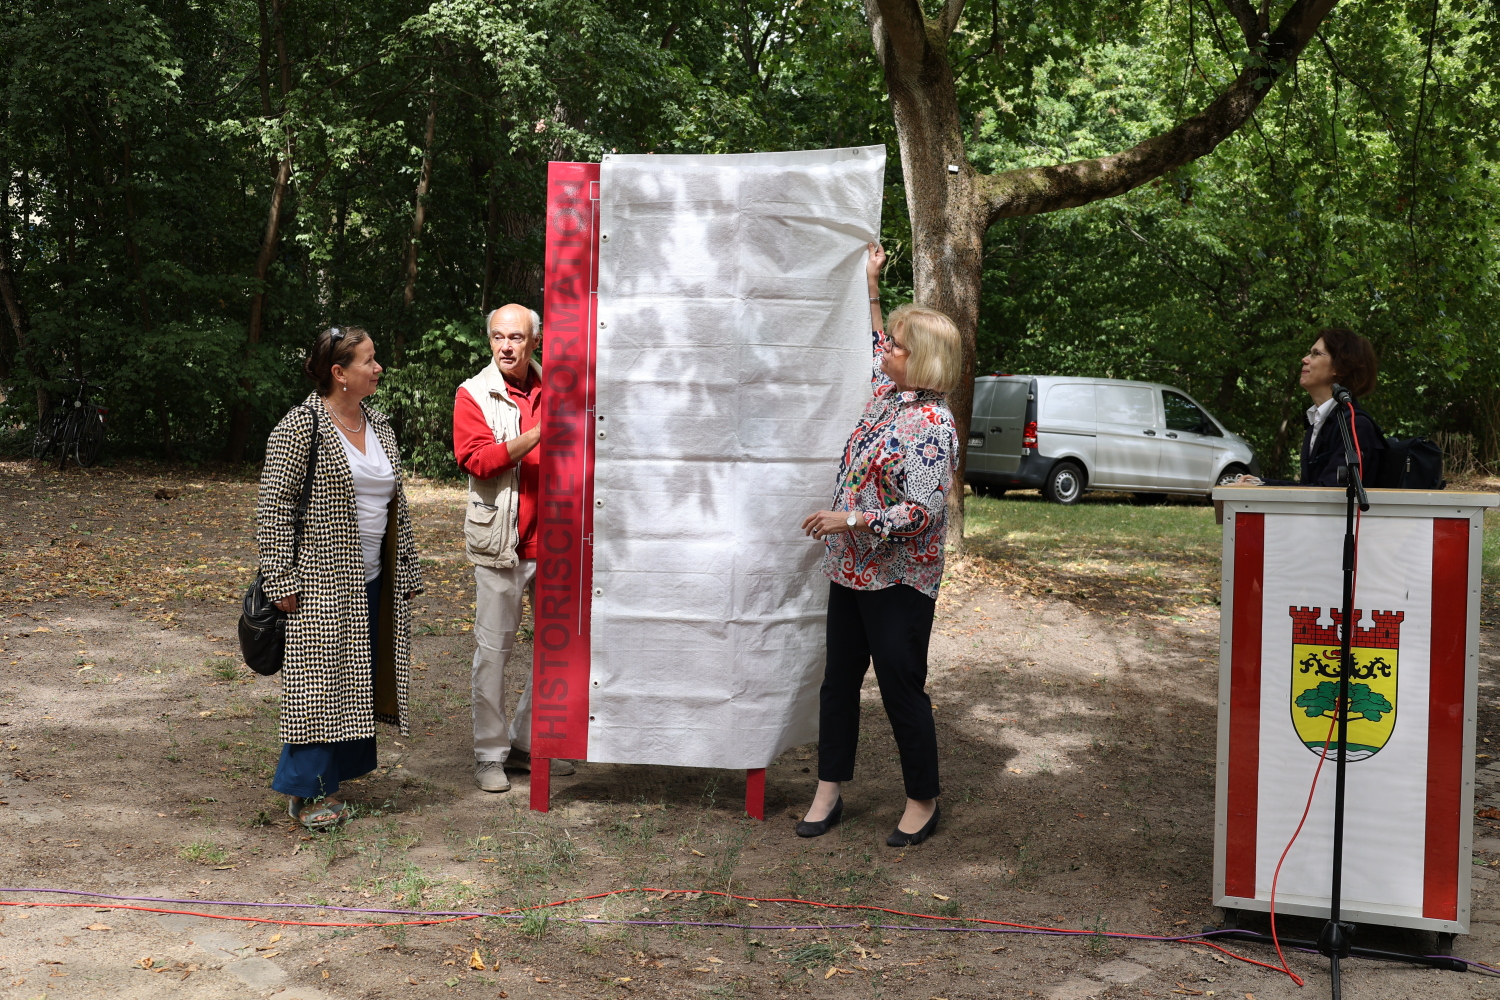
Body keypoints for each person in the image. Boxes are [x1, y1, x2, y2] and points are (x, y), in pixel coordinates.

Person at [798, 243, 961, 848]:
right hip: (851, 573)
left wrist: (849, 519)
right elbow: (873, 343)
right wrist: (871, 283)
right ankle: (829, 789)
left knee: (899, 688)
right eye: (890, 341)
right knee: (838, 684)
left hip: (898, 580)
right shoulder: (889, 394)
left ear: (922, 362)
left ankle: (923, 798)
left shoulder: (931, 425)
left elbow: (921, 513)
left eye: (898, 345)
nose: (885, 348)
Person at [257, 327, 424, 830]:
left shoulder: (378, 424)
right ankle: (305, 793)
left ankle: (336, 776)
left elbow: (398, 505)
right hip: (319, 579)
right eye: (369, 361)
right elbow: (274, 507)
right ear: (339, 373)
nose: (379, 368)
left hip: (373, 575)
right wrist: (280, 577)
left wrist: (407, 568)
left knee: (357, 678)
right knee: (317, 685)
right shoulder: (300, 426)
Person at [454, 303, 576, 792]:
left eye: (517, 338)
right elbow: (479, 460)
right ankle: (489, 754)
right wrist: (538, 433)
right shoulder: (473, 394)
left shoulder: (562, 389)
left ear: (534, 341)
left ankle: (525, 744)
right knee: (494, 652)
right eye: (499, 337)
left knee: (554, 652)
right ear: (490, 341)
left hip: (558, 545)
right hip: (500, 545)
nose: (507, 346)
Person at [1238, 328, 1384, 487]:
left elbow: (1330, 493)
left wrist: (1263, 488)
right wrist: (1258, 483)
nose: (1304, 359)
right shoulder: (1317, 421)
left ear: (1340, 367)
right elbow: (1311, 489)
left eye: (1316, 354)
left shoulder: (1355, 425)